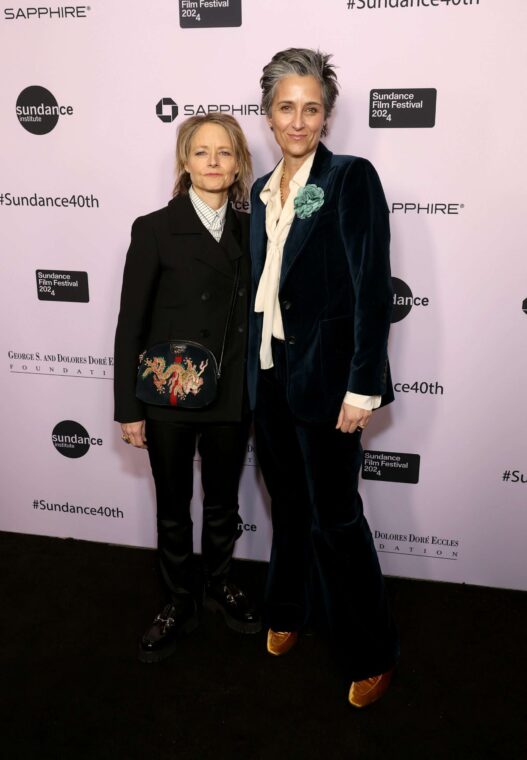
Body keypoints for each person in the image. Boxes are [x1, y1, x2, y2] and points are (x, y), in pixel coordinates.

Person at [248, 48, 398, 707]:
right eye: (286, 107)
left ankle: (371, 651)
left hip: (330, 383)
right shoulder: (259, 190)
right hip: (270, 379)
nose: (298, 120)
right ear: (267, 115)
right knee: (289, 505)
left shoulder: (348, 178)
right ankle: (290, 606)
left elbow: (370, 290)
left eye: (311, 108)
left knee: (336, 517)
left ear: (327, 115)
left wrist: (361, 389)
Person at [114, 113, 260, 664]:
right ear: (185, 161)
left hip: (229, 391)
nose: (214, 162)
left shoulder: (256, 229)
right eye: (202, 152)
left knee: (223, 502)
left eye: (225, 152)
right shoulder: (153, 228)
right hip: (169, 391)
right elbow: (131, 322)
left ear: (240, 162)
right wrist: (129, 406)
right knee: (174, 506)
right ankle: (179, 599)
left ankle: (219, 583)